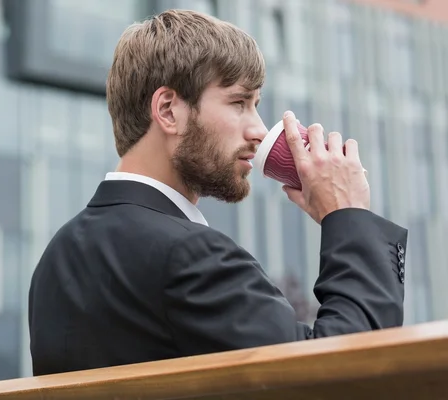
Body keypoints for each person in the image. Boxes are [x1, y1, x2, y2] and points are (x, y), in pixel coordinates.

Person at [28, 9, 407, 376]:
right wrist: (347, 215)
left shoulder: (56, 258)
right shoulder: (190, 255)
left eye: (256, 106)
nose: (259, 130)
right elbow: (348, 373)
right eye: (239, 103)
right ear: (168, 110)